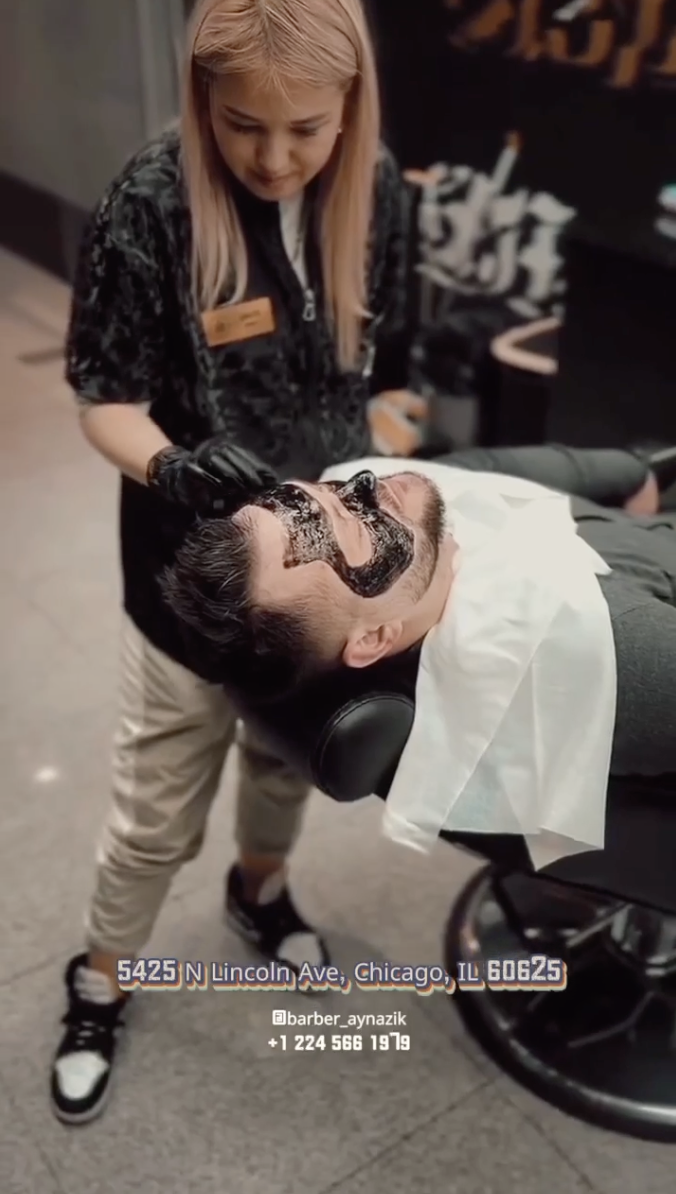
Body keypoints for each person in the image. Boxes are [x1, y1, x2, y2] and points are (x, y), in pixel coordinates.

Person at [52, 0, 417, 1127]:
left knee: (282, 764)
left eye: (304, 130)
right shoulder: (152, 202)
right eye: (242, 125)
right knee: (158, 804)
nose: (272, 159)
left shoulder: (378, 189)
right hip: (192, 580)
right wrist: (169, 465)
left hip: (319, 586)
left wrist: (382, 452)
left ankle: (260, 894)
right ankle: (101, 978)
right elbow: (104, 398)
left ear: (350, 104)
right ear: (202, 99)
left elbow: (396, 370)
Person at [163, 443, 676, 789]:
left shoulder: (417, 518)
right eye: (355, 526)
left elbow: (505, 467)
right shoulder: (598, 646)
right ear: (374, 638)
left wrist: (631, 476)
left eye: (326, 494)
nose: (364, 483)